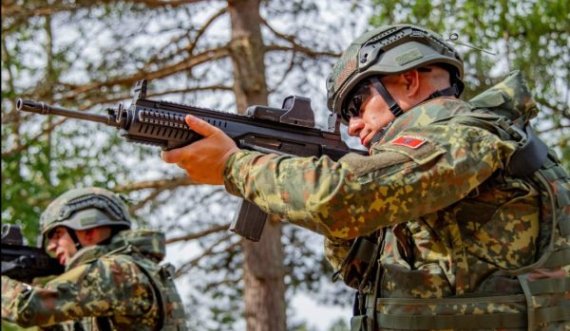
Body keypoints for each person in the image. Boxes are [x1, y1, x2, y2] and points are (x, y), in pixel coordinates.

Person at [161, 24, 569, 330]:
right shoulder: (427, 163)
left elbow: (340, 199)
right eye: (342, 118)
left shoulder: (463, 135)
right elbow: (361, 271)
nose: (352, 126)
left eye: (356, 104)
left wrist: (234, 167)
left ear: (409, 80)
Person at [2, 187, 189, 331]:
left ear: (89, 231)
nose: (51, 246)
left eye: (58, 234)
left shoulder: (117, 271)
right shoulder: (131, 269)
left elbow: (27, 309)